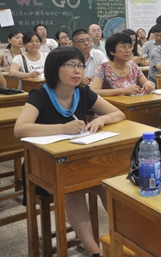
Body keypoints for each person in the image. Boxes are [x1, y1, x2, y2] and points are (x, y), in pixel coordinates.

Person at [14, 46, 125, 257]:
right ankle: (94, 251)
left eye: (80, 65)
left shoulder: (83, 92)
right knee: (72, 189)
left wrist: (101, 119)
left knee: (109, 186)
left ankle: (126, 240)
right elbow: (20, 129)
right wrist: (62, 128)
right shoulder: (41, 95)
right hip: (43, 168)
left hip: (80, 162)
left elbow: (118, 114)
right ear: (55, 68)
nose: (77, 71)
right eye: (70, 65)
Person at [91, 33, 155, 96]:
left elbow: (146, 82)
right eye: (123, 47)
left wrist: (149, 84)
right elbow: (94, 91)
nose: (128, 50)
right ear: (112, 51)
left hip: (132, 102)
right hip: (112, 104)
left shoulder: (132, 65)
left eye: (130, 47)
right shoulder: (103, 67)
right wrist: (123, 90)